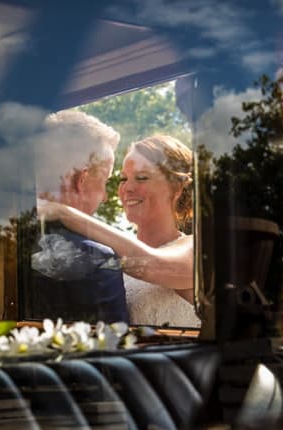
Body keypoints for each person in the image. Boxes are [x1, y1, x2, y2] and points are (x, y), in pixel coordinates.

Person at [38, 134, 199, 328]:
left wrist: (63, 213)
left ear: (177, 188)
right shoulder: (102, 255)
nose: (127, 188)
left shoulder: (196, 247)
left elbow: (152, 265)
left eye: (141, 178)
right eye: (123, 179)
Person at [25, 110, 129, 324]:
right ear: (82, 179)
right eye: (105, 182)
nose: (105, 197)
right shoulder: (95, 260)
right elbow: (112, 349)